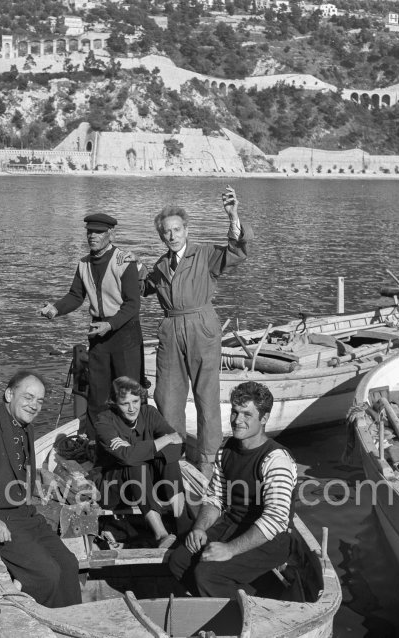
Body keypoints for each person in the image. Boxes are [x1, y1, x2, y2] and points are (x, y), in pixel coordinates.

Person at [135, 186, 252, 478]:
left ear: (187, 230)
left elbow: (237, 252)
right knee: (167, 396)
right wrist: (130, 268)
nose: (172, 236)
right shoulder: (160, 265)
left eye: (176, 230)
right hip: (170, 328)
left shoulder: (206, 255)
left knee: (206, 396)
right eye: (166, 232)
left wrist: (233, 215)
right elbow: (141, 290)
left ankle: (208, 462)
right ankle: (173, 458)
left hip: (201, 325)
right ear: (161, 235)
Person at [0, 370, 82, 608]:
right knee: (47, 575)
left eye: (39, 401)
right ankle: (41, 626)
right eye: (28, 397)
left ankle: (69, 622)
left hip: (23, 515)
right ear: (9, 394)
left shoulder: (24, 426)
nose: (34, 405)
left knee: (69, 564)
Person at [167, 381, 297, 598]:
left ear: (264, 419)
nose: (237, 420)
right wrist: (199, 528)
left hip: (269, 539)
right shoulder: (226, 449)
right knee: (178, 561)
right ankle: (233, 597)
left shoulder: (276, 459)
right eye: (235, 412)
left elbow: (275, 519)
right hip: (232, 525)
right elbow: (215, 498)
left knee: (207, 574)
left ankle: (245, 613)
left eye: (247, 414)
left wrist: (229, 550)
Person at [40, 213, 143, 439]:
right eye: (89, 232)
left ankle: (131, 442)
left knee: (127, 394)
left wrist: (111, 324)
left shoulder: (124, 261)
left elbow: (133, 305)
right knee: (97, 395)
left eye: (98, 232)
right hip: (98, 335)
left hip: (124, 333)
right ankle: (98, 444)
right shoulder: (83, 264)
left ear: (110, 234)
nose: (92, 236)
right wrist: (56, 309)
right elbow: (76, 296)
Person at [95, 376, 192, 547]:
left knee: (169, 461)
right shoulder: (104, 421)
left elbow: (177, 447)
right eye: (125, 403)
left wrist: (135, 449)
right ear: (114, 403)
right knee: (135, 464)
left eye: (136, 401)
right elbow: (128, 458)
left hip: (150, 485)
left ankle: (182, 523)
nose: (132, 408)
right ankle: (161, 534)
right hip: (115, 488)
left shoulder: (149, 413)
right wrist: (164, 440)